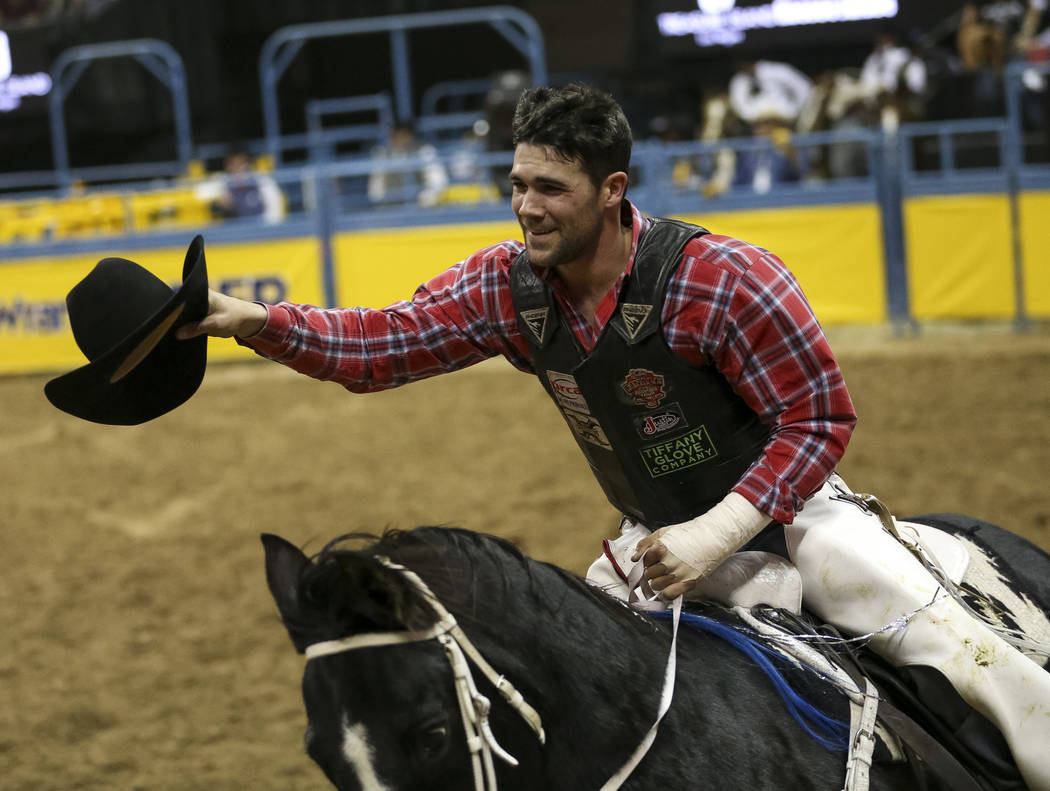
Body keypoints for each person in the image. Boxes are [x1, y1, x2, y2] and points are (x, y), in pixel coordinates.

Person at [177, 83, 1050, 790]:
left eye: (550, 188)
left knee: (958, 646)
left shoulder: (721, 280)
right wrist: (253, 320)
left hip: (797, 525)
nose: (526, 208)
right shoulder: (505, 286)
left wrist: (718, 532)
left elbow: (820, 419)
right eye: (517, 184)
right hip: (651, 545)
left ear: (613, 191)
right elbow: (384, 343)